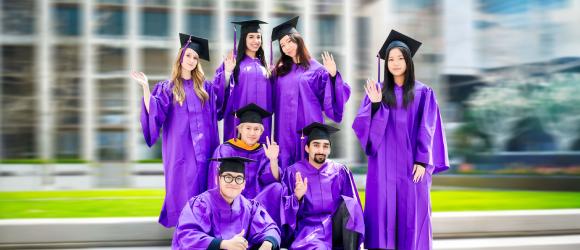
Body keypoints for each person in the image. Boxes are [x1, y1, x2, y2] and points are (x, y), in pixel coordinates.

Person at [352, 30, 449, 250]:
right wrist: (376, 104)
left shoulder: (423, 93)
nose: (395, 63)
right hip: (383, 167)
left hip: (411, 167)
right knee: (383, 216)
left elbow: (428, 127)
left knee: (412, 218)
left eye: (400, 58)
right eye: (391, 59)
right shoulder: (376, 91)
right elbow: (363, 129)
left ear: (408, 61)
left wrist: (423, 160)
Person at [132, 33, 234, 227]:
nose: (191, 60)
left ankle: (205, 232)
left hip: (207, 149)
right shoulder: (168, 88)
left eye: (195, 57)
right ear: (180, 57)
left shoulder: (205, 88)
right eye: (188, 55)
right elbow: (154, 111)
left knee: (206, 187)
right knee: (183, 189)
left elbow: (220, 103)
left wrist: (227, 72)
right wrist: (145, 88)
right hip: (181, 152)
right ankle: (185, 232)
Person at [271, 16, 351, 170]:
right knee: (285, 162)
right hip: (284, 128)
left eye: (289, 41)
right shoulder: (280, 72)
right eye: (282, 45)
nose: (287, 47)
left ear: (298, 40)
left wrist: (333, 75)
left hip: (308, 125)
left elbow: (340, 93)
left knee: (307, 163)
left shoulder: (317, 69)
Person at [281, 122, 364, 249]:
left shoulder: (340, 171)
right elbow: (284, 212)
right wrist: (297, 198)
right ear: (307, 148)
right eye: (316, 145)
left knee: (351, 203)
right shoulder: (293, 172)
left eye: (325, 146)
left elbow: (353, 210)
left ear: (330, 149)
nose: (321, 150)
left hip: (335, 227)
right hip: (307, 228)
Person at [173, 156, 281, 250]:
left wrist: (267, 245)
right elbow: (187, 235)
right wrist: (223, 244)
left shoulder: (250, 207)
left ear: (243, 184)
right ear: (218, 179)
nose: (233, 183)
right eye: (228, 177)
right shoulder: (201, 205)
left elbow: (270, 229)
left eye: (238, 178)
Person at [208, 103, 283, 225]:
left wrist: (273, 159)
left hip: (258, 202)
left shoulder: (264, 151)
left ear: (261, 132)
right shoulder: (225, 150)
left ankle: (266, 229)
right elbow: (215, 183)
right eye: (248, 128)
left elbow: (271, 179)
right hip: (231, 201)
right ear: (240, 129)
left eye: (256, 129)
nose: (252, 133)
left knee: (277, 188)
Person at [215, 19, 274, 143]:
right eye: (251, 37)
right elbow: (219, 88)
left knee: (260, 153)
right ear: (244, 39)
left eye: (259, 37)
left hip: (261, 122)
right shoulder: (233, 62)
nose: (256, 41)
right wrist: (227, 73)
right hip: (237, 120)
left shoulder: (265, 66)